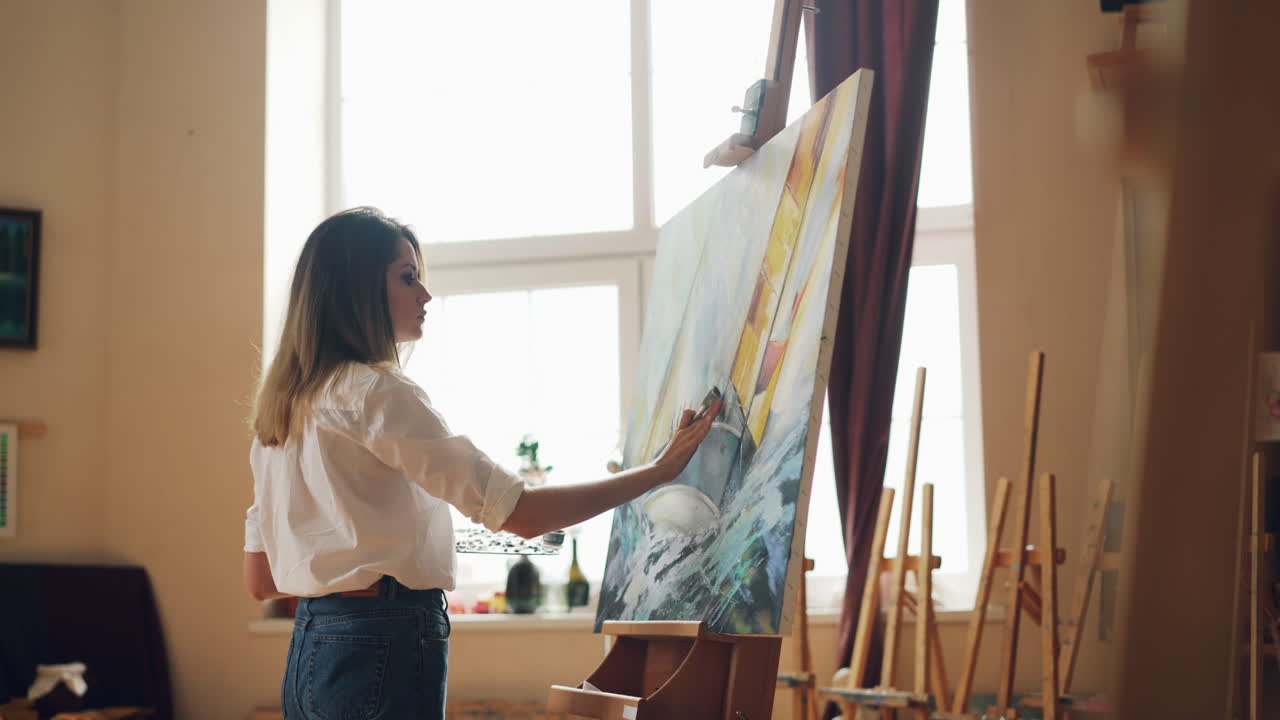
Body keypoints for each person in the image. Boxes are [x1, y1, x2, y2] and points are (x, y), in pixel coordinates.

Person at [241, 207, 720, 720]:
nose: (425, 295)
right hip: (381, 640)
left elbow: (261, 579)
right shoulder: (377, 394)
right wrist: (658, 471)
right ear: (356, 290)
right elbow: (524, 514)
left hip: (311, 651)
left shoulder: (282, 416)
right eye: (408, 278)